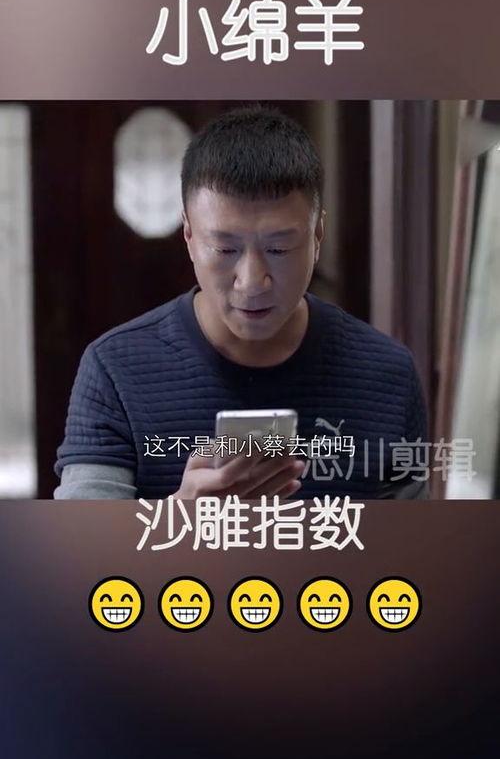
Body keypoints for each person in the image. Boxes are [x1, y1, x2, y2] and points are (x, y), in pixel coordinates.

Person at [54, 106, 428, 500]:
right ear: (189, 236)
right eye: (225, 249)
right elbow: (84, 537)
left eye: (279, 249)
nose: (252, 282)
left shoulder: (387, 374)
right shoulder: (115, 370)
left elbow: (419, 537)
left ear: (318, 234)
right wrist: (180, 517)